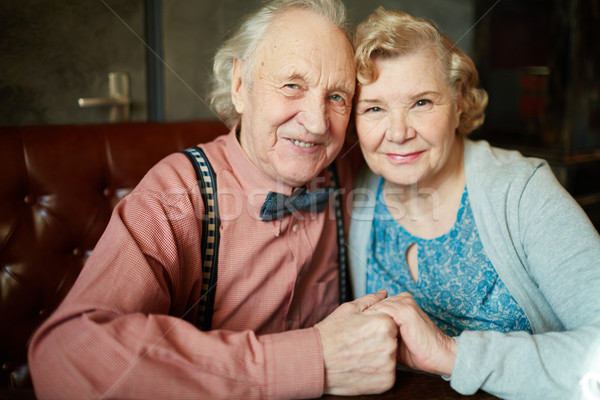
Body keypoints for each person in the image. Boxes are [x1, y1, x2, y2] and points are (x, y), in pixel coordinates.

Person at [28, 1, 401, 398]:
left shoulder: (349, 167)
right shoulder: (178, 193)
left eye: (338, 97)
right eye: (293, 85)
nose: (316, 122)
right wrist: (313, 360)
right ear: (240, 85)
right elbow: (66, 353)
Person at [348, 7, 600, 400]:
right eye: (375, 108)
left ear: (459, 101)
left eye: (422, 103)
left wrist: (452, 353)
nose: (397, 133)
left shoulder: (523, 192)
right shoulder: (358, 192)